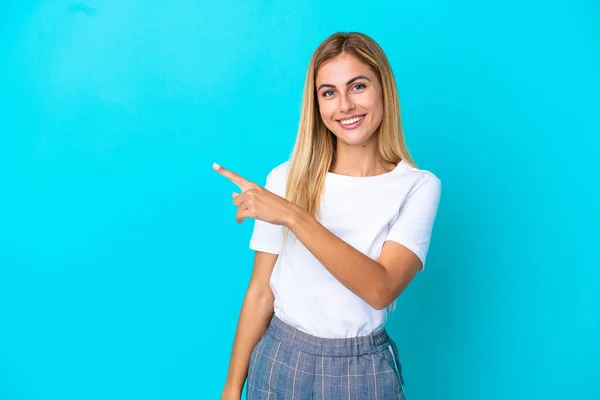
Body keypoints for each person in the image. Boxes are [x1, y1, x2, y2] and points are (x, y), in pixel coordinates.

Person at [216, 31, 441, 400]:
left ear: (383, 88)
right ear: (317, 104)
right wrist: (230, 389)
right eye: (329, 92)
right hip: (280, 357)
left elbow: (380, 288)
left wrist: (292, 215)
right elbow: (260, 293)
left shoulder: (418, 186)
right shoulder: (285, 179)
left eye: (358, 86)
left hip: (361, 369)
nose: (345, 106)